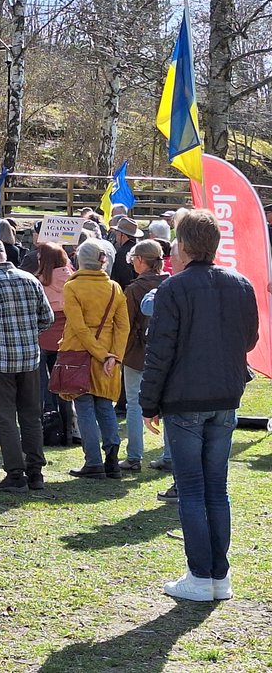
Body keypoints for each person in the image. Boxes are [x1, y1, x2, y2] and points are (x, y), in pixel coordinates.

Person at [141, 210, 259, 601]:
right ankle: (217, 576)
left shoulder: (175, 289)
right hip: (223, 397)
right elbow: (249, 338)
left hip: (186, 400)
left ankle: (201, 574)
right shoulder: (240, 284)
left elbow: (160, 351)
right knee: (215, 489)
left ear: (185, 246)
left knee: (194, 490)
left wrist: (148, 403)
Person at [0, 238, 55, 493]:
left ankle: (15, 474)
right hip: (29, 359)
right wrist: (27, 333)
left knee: (4, 416)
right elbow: (47, 318)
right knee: (31, 416)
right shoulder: (30, 279)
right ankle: (35, 472)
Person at [60, 238, 130, 479]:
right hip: (108, 356)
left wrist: (101, 354)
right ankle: (112, 459)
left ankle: (93, 462)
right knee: (104, 405)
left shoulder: (72, 287)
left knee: (85, 407)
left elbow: (78, 327)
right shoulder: (115, 288)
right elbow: (123, 327)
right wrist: (114, 357)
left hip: (79, 353)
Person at [119, 239, 169, 471]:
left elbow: (125, 325)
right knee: (169, 405)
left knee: (134, 404)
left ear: (140, 260)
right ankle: (169, 456)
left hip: (138, 353)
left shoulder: (134, 289)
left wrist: (124, 353)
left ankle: (134, 457)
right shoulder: (171, 283)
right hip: (166, 352)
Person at [35, 241, 75, 440]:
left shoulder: (39, 281)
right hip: (66, 339)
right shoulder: (73, 279)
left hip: (43, 338)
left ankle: (50, 429)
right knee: (65, 387)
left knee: (45, 387)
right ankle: (69, 429)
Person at [108, 217, 143, 290]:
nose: (116, 236)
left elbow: (119, 280)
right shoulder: (141, 249)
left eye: (117, 233)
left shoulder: (122, 254)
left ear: (122, 235)